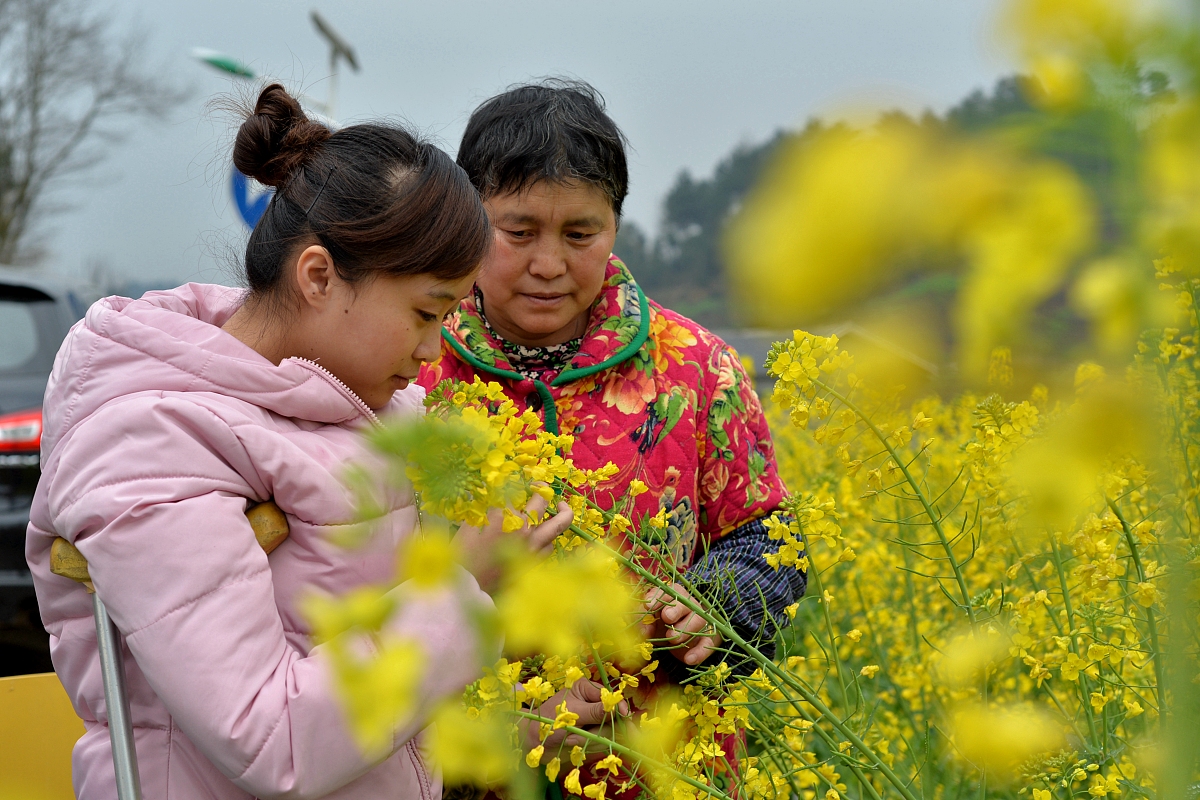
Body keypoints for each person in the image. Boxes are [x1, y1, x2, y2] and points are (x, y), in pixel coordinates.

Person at [25, 84, 577, 800]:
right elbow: (272, 739)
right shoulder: (150, 441)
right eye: (423, 313)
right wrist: (461, 591)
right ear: (318, 275)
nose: (434, 352)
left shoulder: (355, 401)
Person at [419, 80, 805, 681]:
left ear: (616, 226)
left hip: (662, 761)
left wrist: (715, 607)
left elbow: (768, 537)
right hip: (461, 760)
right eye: (518, 233)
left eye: (580, 234)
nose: (548, 265)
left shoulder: (700, 368)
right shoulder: (410, 366)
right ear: (467, 221)